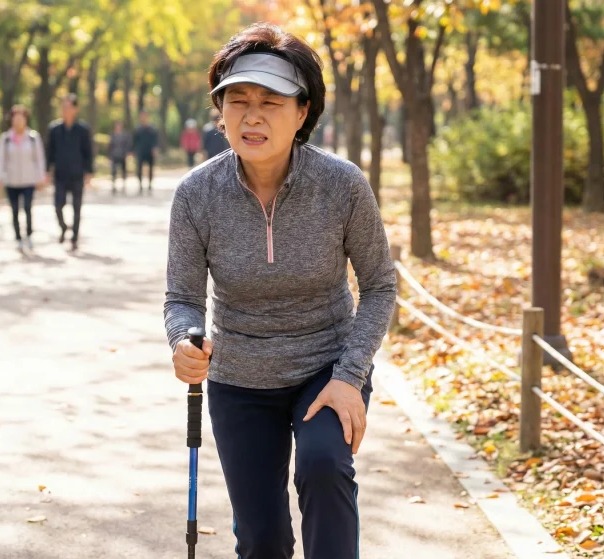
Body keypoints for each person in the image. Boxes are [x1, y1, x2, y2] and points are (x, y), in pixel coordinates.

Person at [164, 23, 396, 559]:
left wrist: (349, 377)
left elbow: (380, 285)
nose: (252, 115)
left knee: (324, 467)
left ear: (303, 112)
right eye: (237, 100)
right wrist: (182, 338)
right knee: (263, 539)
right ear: (220, 112)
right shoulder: (197, 194)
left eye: (271, 101)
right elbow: (181, 297)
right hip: (239, 378)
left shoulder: (342, 186)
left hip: (326, 369)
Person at [0, 105, 46, 251]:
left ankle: (29, 235)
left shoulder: (33, 138)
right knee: (15, 210)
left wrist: (41, 177)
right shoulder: (5, 139)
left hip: (29, 180)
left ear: (25, 119)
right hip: (12, 181)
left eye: (21, 118)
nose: (18, 121)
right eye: (15, 118)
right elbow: (0, 159)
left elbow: (39, 159)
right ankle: (18, 238)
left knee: (28, 208)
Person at [46, 94, 93, 251]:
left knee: (77, 207)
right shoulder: (54, 129)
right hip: (60, 174)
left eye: (68, 107)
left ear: (75, 109)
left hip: (77, 174)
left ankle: (74, 238)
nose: (65, 110)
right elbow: (49, 152)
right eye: (63, 106)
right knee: (58, 205)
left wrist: (89, 171)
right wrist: (47, 170)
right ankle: (63, 227)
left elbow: (88, 151)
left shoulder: (82, 129)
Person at [132, 110, 158, 194]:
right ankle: (140, 185)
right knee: (139, 168)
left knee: (150, 168)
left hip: (149, 151)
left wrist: (155, 148)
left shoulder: (152, 128)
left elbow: (155, 140)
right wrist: (133, 151)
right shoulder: (137, 129)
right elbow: (134, 141)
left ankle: (150, 184)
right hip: (140, 151)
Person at [108, 120, 132, 195]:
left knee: (123, 171)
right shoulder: (113, 135)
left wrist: (127, 153)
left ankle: (123, 185)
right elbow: (110, 146)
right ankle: (113, 185)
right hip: (114, 155)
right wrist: (109, 155)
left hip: (122, 155)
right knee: (113, 171)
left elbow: (127, 145)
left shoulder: (125, 135)